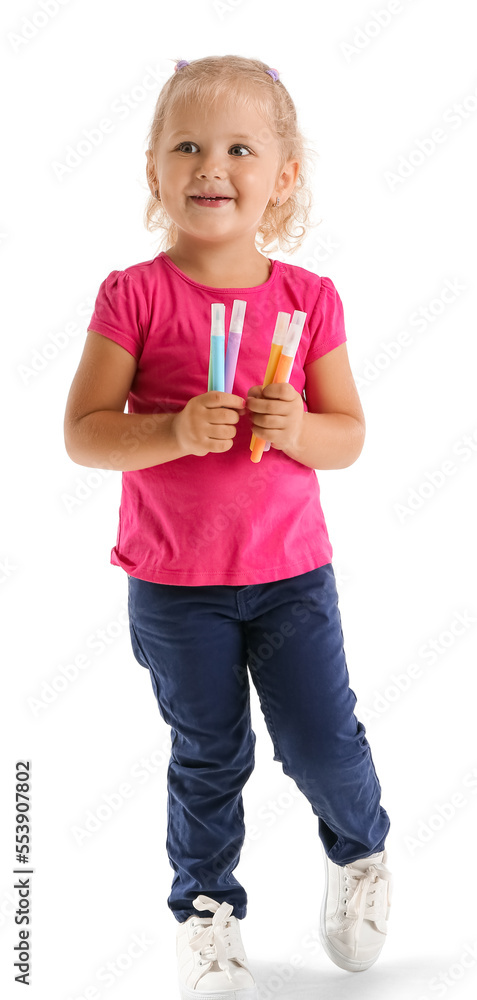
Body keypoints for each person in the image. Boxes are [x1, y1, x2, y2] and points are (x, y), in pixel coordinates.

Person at [64, 54, 392, 999]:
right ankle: (207, 913)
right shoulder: (132, 294)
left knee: (322, 742)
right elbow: (85, 436)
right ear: (155, 171)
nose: (212, 166)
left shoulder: (307, 300)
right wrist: (167, 430)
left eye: (240, 148)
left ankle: (360, 850)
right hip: (173, 586)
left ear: (282, 176)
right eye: (188, 146)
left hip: (291, 578)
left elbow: (349, 437)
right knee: (209, 752)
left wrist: (298, 428)